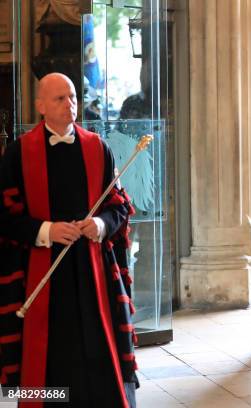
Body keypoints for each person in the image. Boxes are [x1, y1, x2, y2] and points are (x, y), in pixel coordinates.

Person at [0, 73, 138, 407]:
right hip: (41, 273)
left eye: (73, 96)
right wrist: (46, 231)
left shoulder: (97, 147)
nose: (70, 104)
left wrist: (101, 224)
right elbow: (4, 215)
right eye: (60, 98)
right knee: (48, 362)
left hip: (93, 274)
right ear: (40, 106)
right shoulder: (19, 153)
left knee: (98, 351)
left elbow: (119, 206)